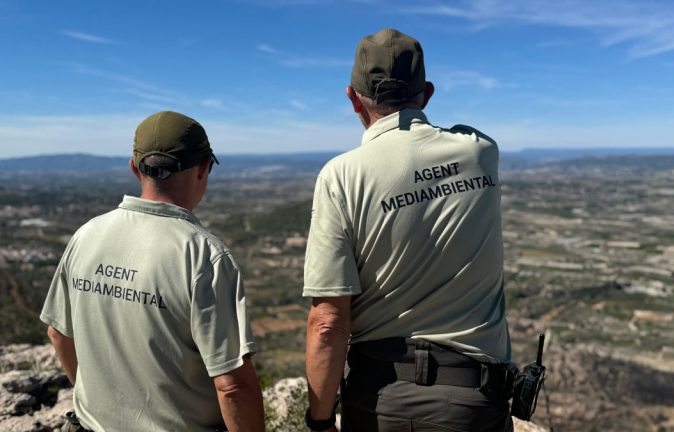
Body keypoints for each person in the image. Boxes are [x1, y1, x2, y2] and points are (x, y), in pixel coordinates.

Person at [303, 29, 514, 432]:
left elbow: (328, 322)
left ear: (352, 99)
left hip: (380, 401)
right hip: (474, 403)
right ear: (427, 94)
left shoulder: (341, 176)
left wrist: (321, 421)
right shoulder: (481, 152)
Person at [40, 111, 265, 432]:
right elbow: (232, 386)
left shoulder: (86, 235)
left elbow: (58, 333)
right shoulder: (205, 257)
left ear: (135, 169)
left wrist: (98, 402)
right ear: (204, 168)